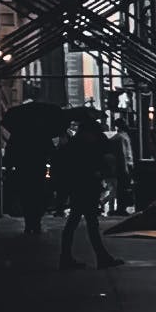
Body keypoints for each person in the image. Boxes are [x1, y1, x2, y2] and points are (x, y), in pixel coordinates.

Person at [54, 108, 118, 271]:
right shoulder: (87, 142)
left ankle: (69, 257)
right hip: (86, 185)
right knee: (86, 221)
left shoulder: (74, 143)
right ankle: (98, 257)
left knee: (79, 221)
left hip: (79, 186)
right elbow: (104, 153)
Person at [6, 97, 56, 245]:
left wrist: (10, 167)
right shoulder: (43, 134)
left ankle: (30, 223)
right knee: (40, 196)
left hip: (24, 171)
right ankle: (36, 222)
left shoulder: (18, 135)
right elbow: (51, 153)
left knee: (26, 197)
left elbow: (10, 153)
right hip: (40, 170)